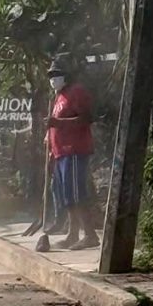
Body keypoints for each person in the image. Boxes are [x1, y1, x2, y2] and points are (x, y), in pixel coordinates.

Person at [45, 60, 100, 250]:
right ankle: (72, 234)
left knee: (77, 194)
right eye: (51, 76)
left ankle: (90, 234)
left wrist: (58, 124)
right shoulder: (58, 97)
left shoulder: (76, 92)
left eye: (56, 75)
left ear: (66, 75)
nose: (53, 79)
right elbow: (55, 123)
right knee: (67, 195)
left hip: (74, 150)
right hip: (61, 152)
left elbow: (86, 118)